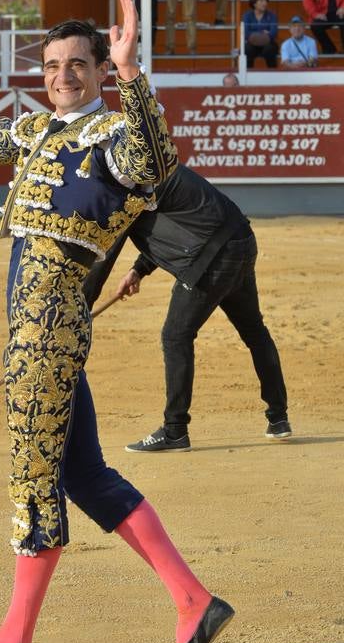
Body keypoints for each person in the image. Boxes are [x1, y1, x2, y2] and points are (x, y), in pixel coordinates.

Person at [0, 0, 234, 643]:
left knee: (36, 474)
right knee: (83, 474)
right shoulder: (37, 132)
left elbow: (155, 162)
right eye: (52, 66)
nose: (62, 76)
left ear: (98, 71)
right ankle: (193, 600)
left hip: (48, 326)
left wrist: (132, 75)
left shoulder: (115, 140)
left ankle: (13, 640)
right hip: (40, 329)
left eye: (78, 65)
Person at [81, 163, 290, 452]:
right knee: (255, 331)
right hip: (240, 242)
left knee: (175, 336)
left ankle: (175, 430)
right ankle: (279, 417)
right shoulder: (155, 169)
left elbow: (105, 252)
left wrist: (79, 309)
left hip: (211, 260)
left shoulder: (128, 187)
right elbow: (186, 221)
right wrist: (139, 270)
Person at [243, 0, 278, 68]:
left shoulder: (272, 15)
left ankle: (273, 75)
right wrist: (263, 33)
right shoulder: (247, 15)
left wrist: (254, 33)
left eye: (266, 0)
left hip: (268, 44)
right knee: (247, 49)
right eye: (261, 1)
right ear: (254, 3)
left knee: (270, 49)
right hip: (252, 44)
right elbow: (246, 33)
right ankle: (248, 75)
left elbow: (273, 33)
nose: (265, 3)